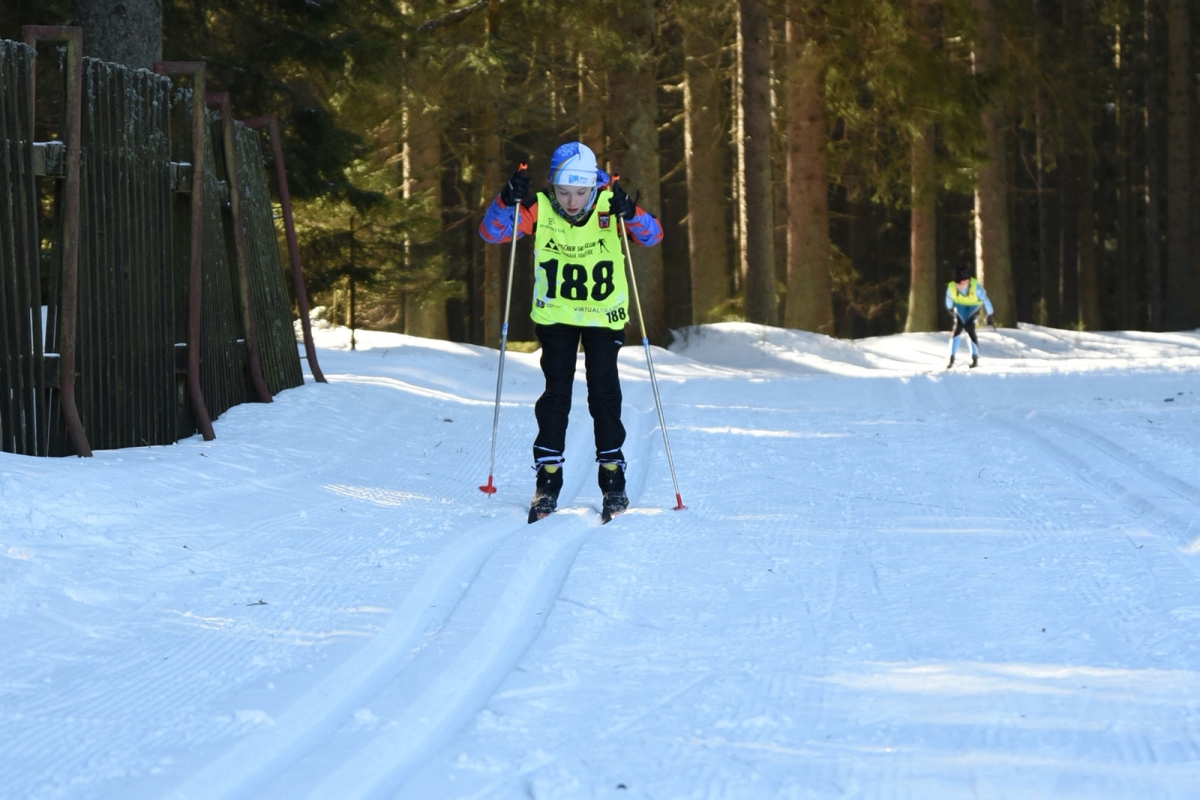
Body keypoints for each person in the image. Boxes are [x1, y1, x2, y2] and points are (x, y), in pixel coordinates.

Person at [479, 142, 663, 523]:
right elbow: (492, 233)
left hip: (604, 316)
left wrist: (631, 212)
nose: (573, 201)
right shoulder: (539, 208)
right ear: (552, 185)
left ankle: (612, 477)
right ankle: (548, 479)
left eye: (581, 192)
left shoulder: (610, 206)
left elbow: (653, 235)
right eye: (564, 192)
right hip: (557, 316)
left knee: (604, 393)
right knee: (556, 394)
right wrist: (505, 200)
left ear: (594, 185)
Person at [945, 264, 995, 369]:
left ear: (967, 281)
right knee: (958, 328)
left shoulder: (976, 287)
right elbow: (948, 300)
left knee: (969, 327)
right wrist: (950, 308)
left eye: (961, 284)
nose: (958, 286)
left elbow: (986, 300)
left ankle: (974, 358)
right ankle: (951, 358)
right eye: (957, 283)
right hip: (960, 306)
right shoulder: (952, 287)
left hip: (974, 307)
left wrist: (990, 314)